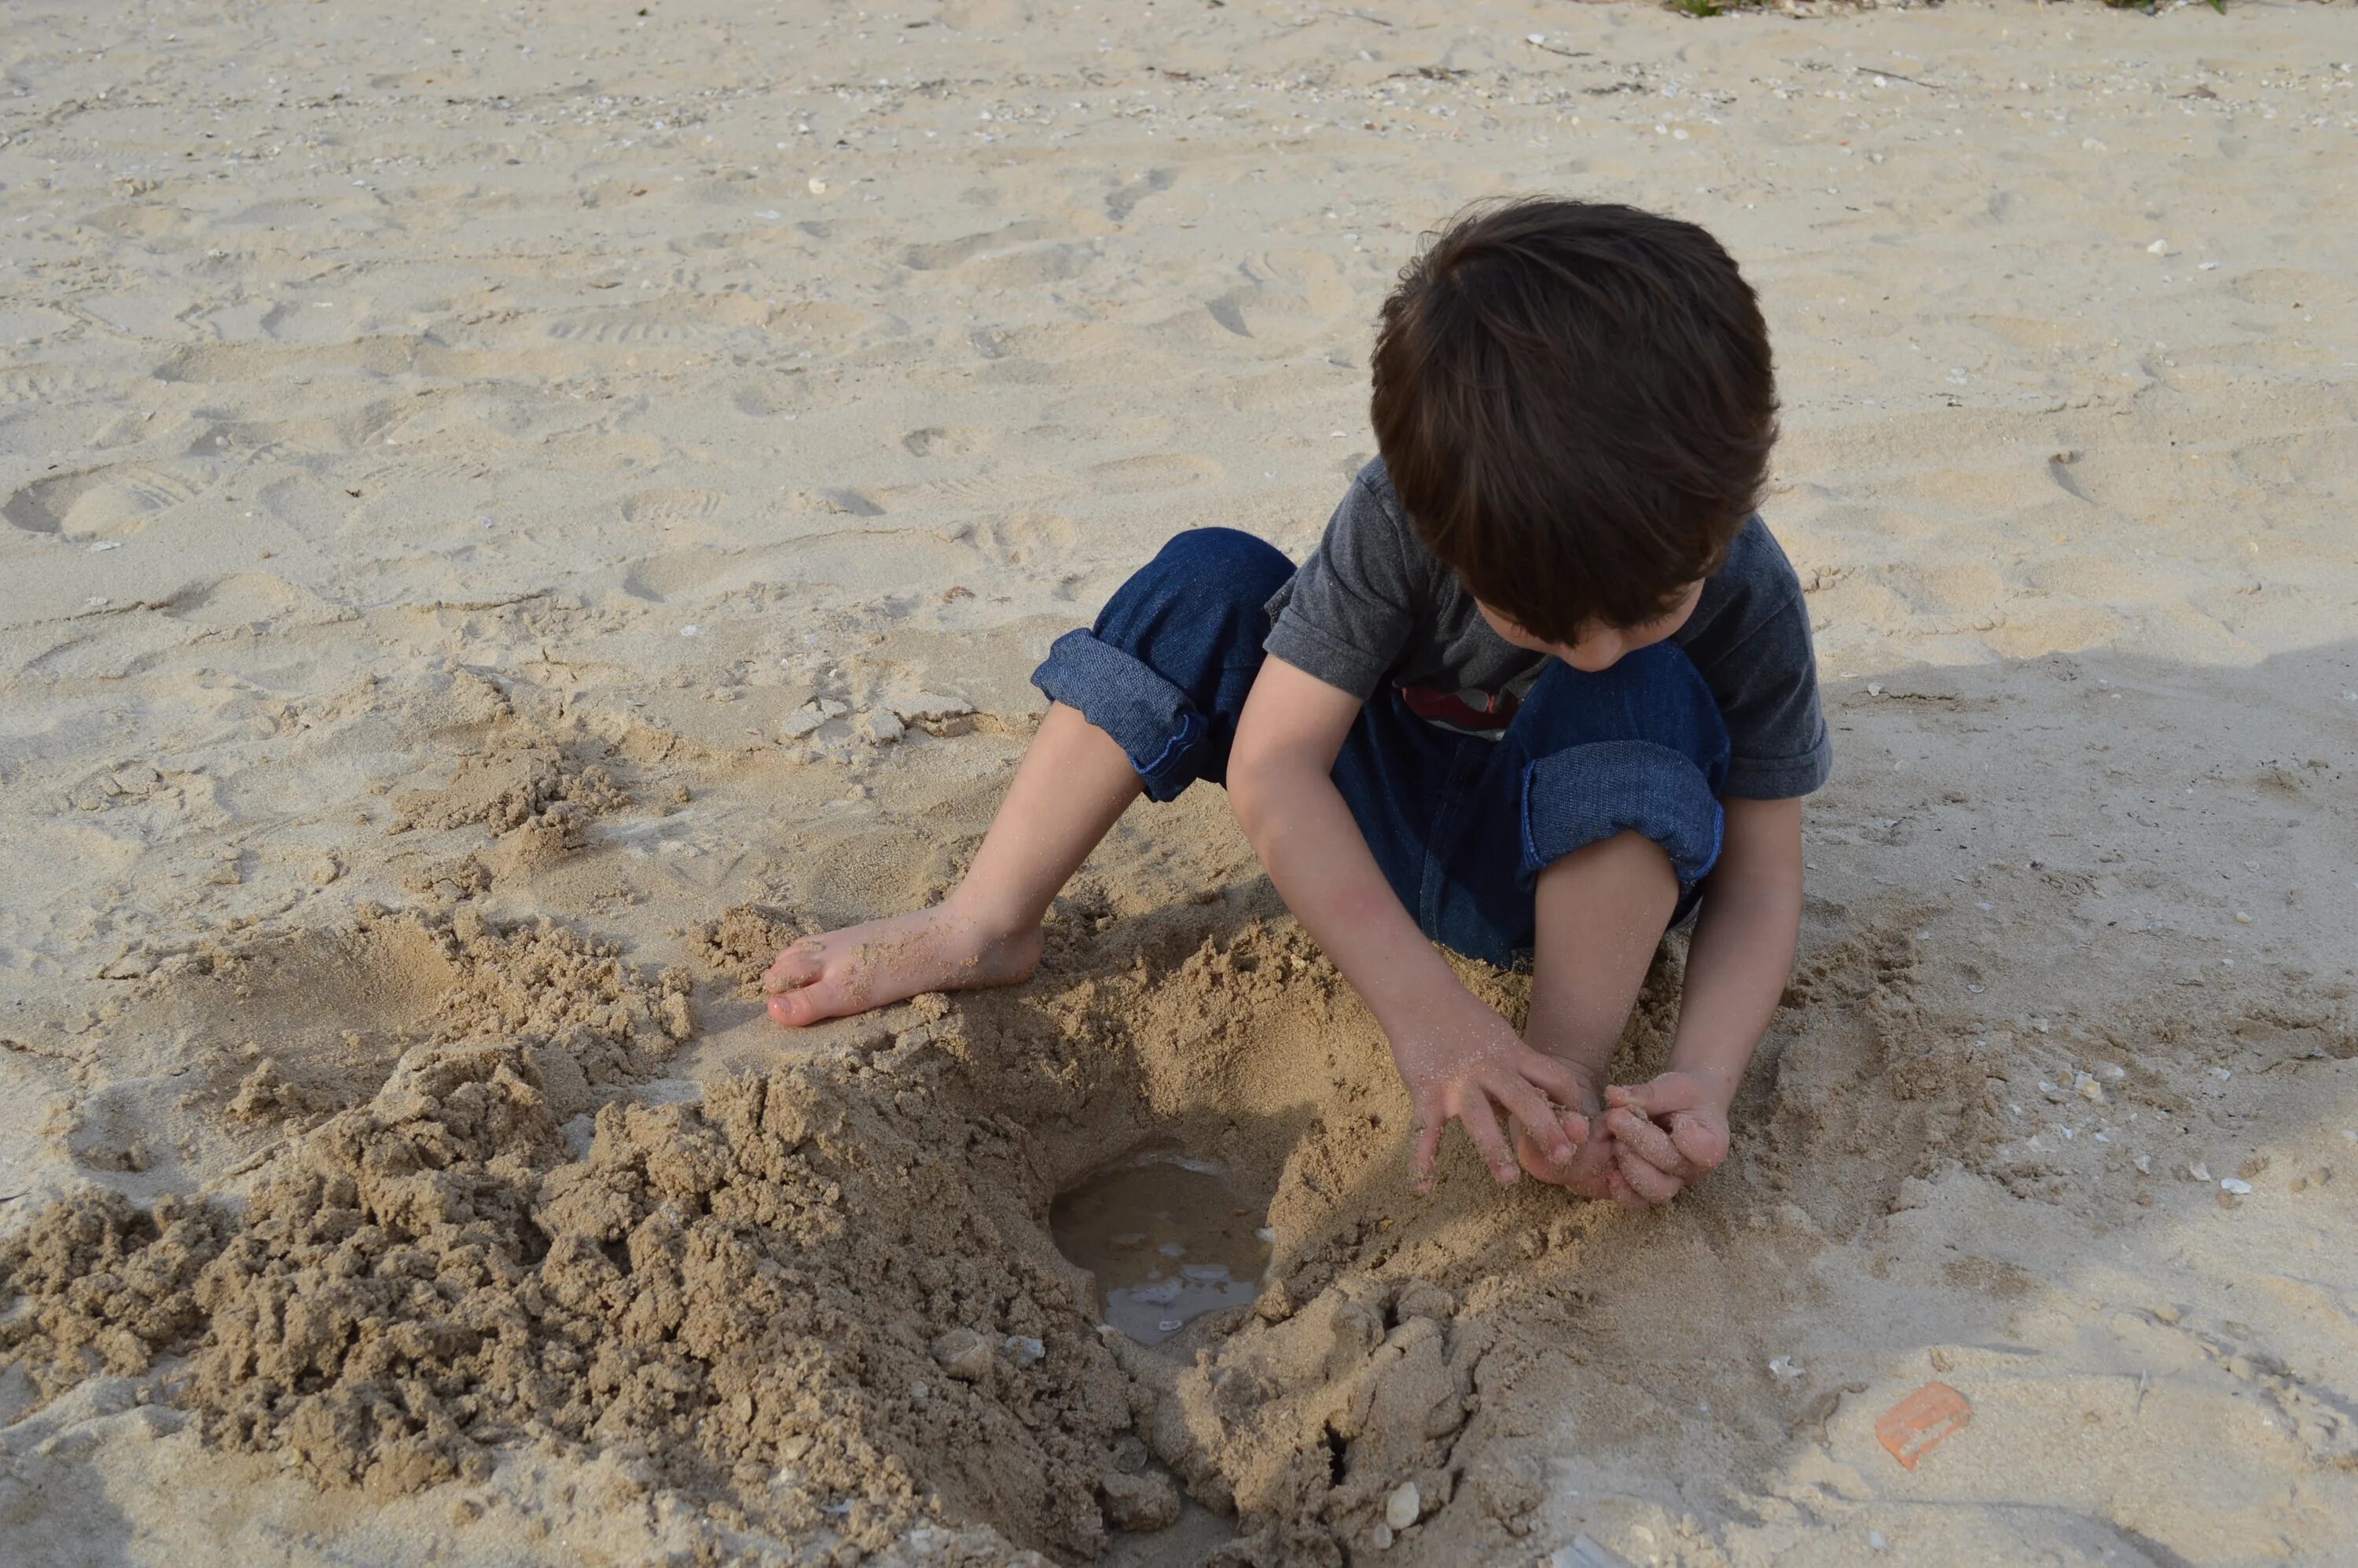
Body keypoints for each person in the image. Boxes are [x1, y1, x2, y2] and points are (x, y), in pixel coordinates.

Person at [762, 199, 1829, 1208]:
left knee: (1642, 687)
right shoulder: (1410, 510)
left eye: (1653, 605)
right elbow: (1277, 764)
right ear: (1434, 519)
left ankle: (1558, 1084)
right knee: (1209, 578)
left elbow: (1762, 885)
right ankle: (982, 922)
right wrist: (1427, 1018)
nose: (1592, 647)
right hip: (1374, 819)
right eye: (1543, 625)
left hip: (1567, 879)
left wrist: (1703, 1075)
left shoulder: (1745, 585)